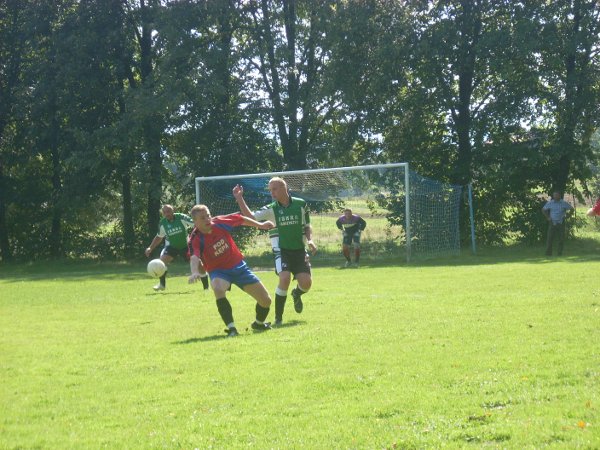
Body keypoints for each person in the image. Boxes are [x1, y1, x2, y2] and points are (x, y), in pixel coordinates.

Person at [233, 177, 317, 327]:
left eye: (275, 189)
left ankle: (296, 293)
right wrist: (239, 198)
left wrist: (310, 240)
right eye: (270, 190)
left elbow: (307, 226)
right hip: (281, 251)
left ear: (284, 188)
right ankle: (278, 318)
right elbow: (250, 217)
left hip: (299, 250)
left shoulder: (301, 204)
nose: (272, 193)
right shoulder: (271, 209)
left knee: (306, 284)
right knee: (284, 278)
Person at [187, 204, 275, 337]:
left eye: (208, 216)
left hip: (239, 267)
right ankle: (231, 328)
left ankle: (258, 324)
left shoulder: (219, 222)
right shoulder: (195, 238)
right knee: (217, 287)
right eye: (202, 218)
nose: (207, 219)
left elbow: (240, 219)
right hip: (219, 271)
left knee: (266, 301)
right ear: (195, 221)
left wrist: (260, 225)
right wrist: (194, 272)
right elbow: (194, 257)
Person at [145, 204, 209, 291]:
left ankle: (206, 288)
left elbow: (196, 224)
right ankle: (162, 285)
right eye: (164, 212)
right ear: (163, 214)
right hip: (172, 247)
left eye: (168, 211)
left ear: (173, 210)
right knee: (161, 262)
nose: (167, 214)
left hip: (186, 246)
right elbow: (159, 237)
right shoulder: (163, 223)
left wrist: (201, 235)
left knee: (198, 264)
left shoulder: (181, 217)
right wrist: (150, 248)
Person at [542, 191, 574, 256]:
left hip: (561, 222)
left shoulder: (563, 203)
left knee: (561, 239)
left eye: (557, 195)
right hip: (552, 222)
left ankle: (559, 253)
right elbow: (543, 209)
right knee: (550, 238)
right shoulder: (550, 203)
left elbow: (572, 209)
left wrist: (568, 216)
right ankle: (548, 253)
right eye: (554, 195)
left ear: (560, 196)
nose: (555, 196)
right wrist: (548, 217)